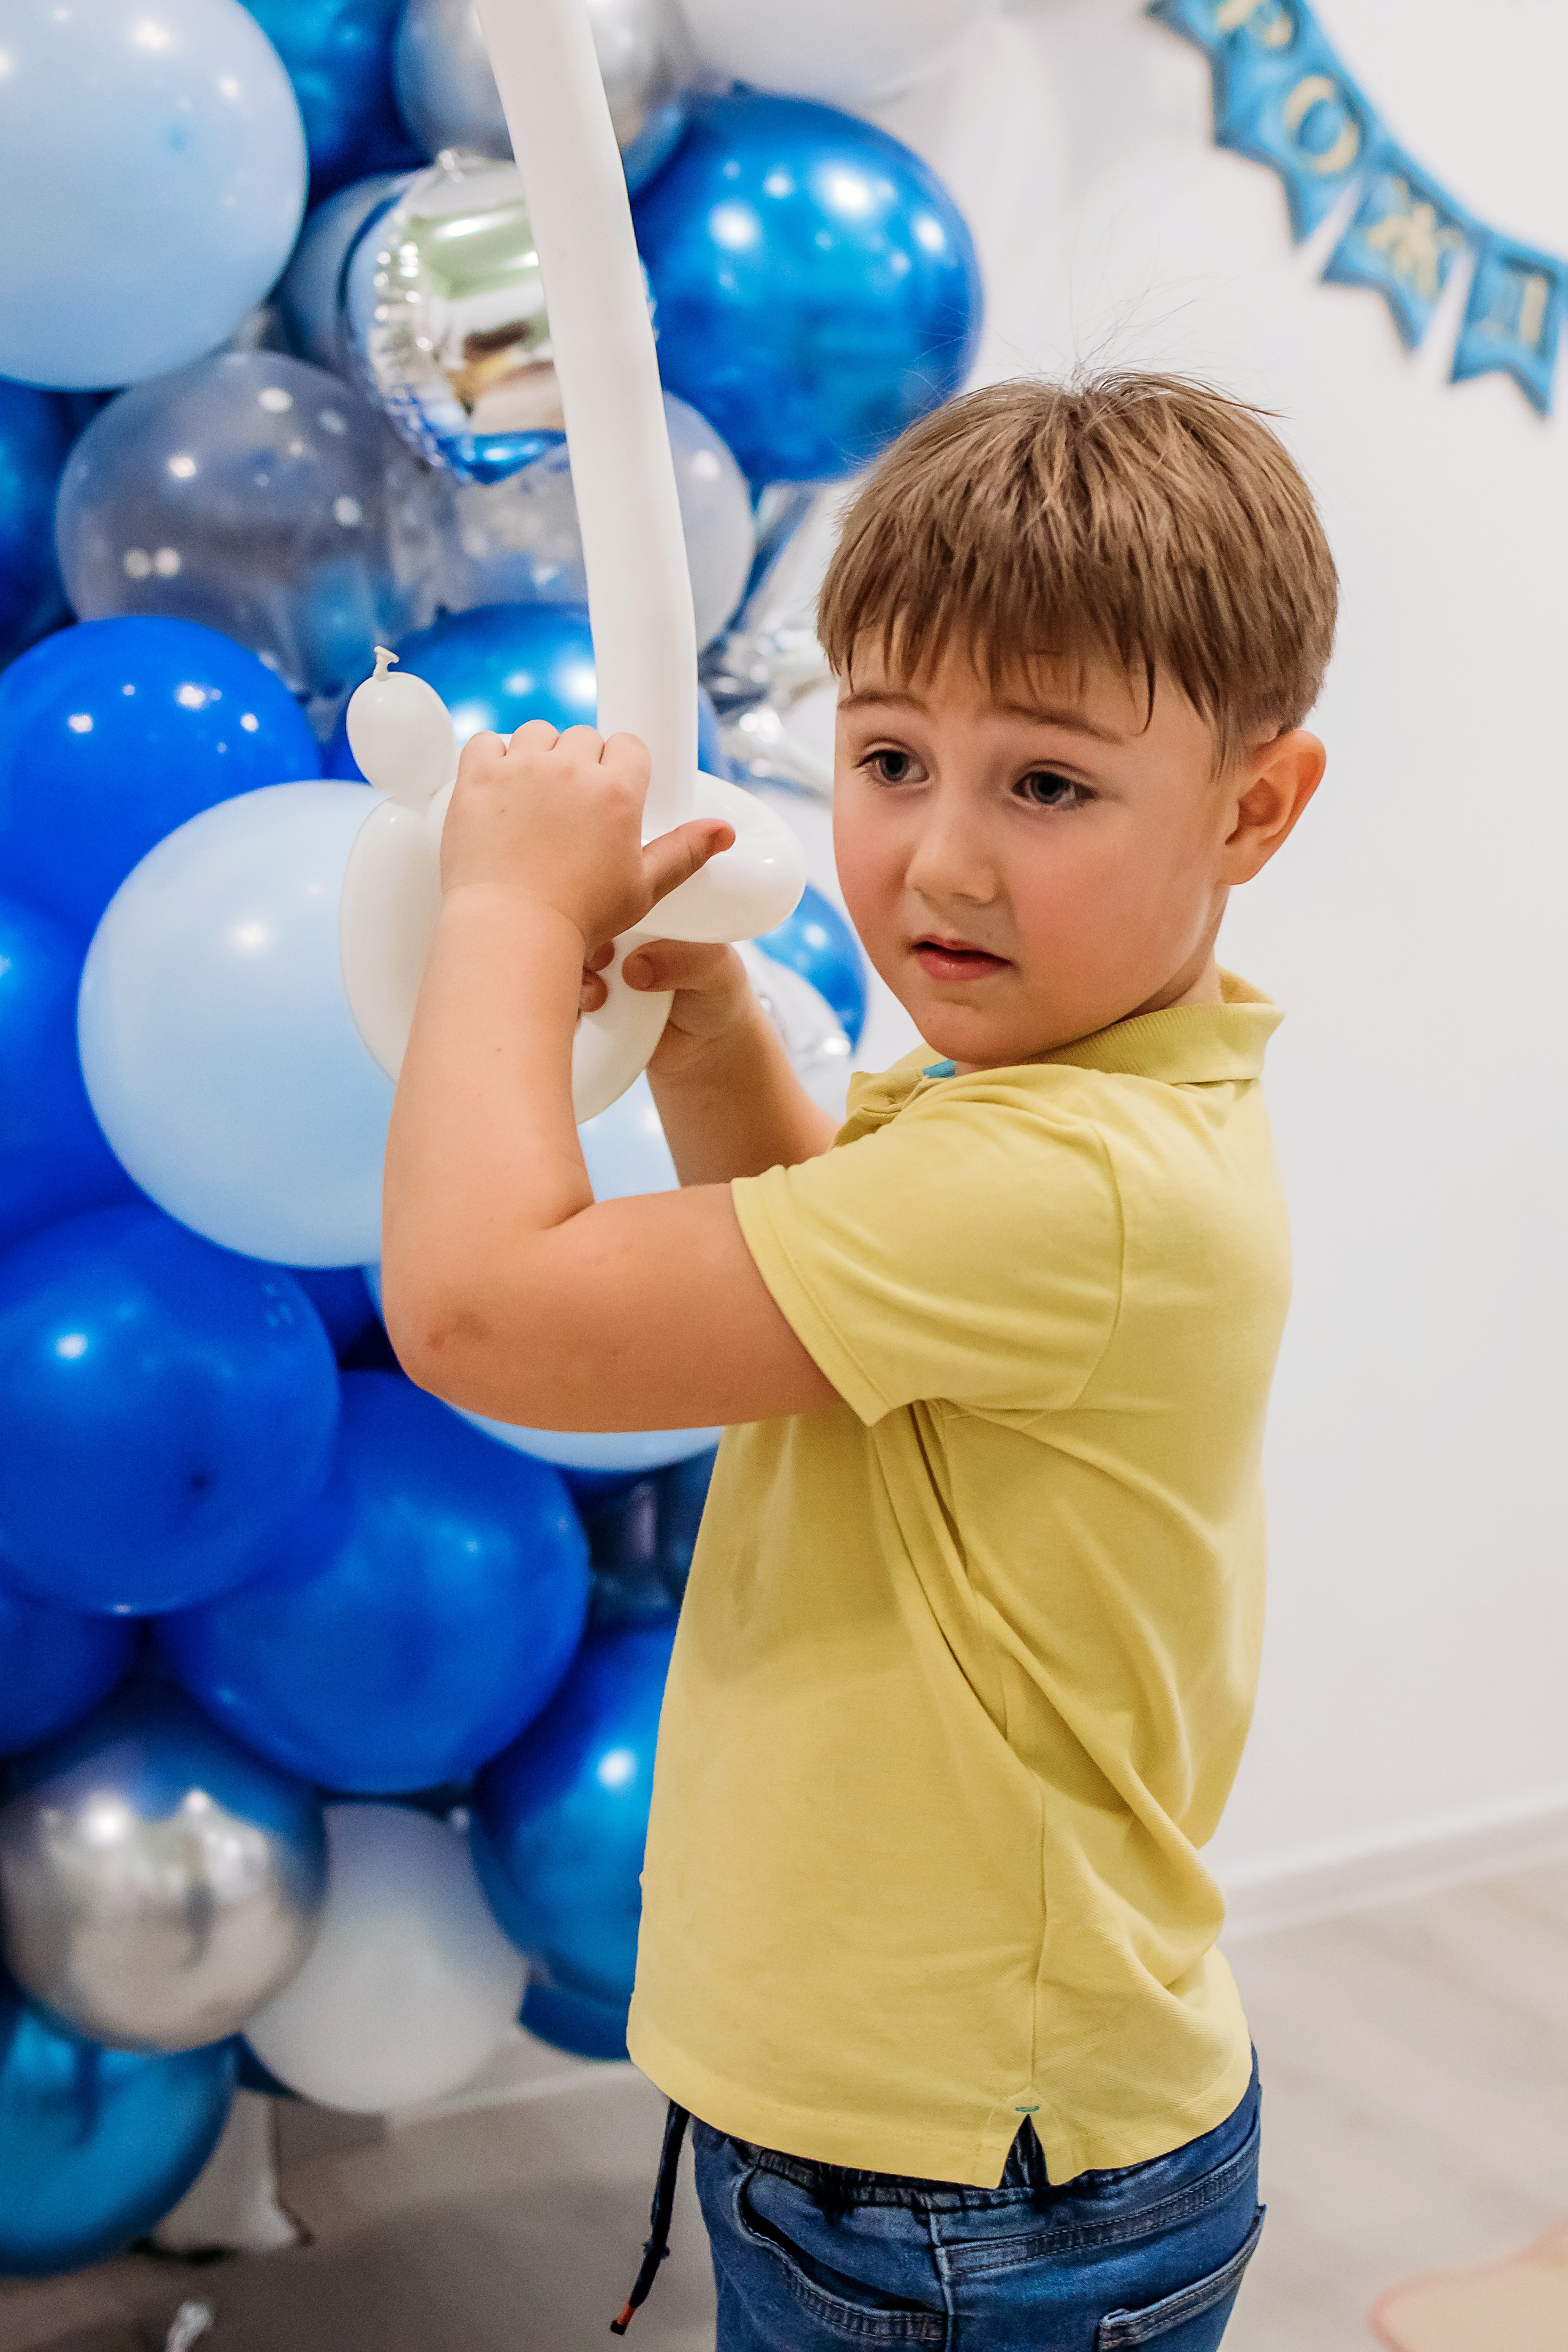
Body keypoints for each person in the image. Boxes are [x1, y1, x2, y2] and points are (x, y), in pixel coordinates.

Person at [380, 372, 1335, 2351]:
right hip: (922, 2148)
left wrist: (502, 911)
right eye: (892, 757)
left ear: (1254, 808)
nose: (943, 862)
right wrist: (713, 1027)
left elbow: (479, 1310)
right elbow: (837, 1322)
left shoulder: (1070, 1179)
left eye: (1045, 786)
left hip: (959, 2196)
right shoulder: (1062, 1102)